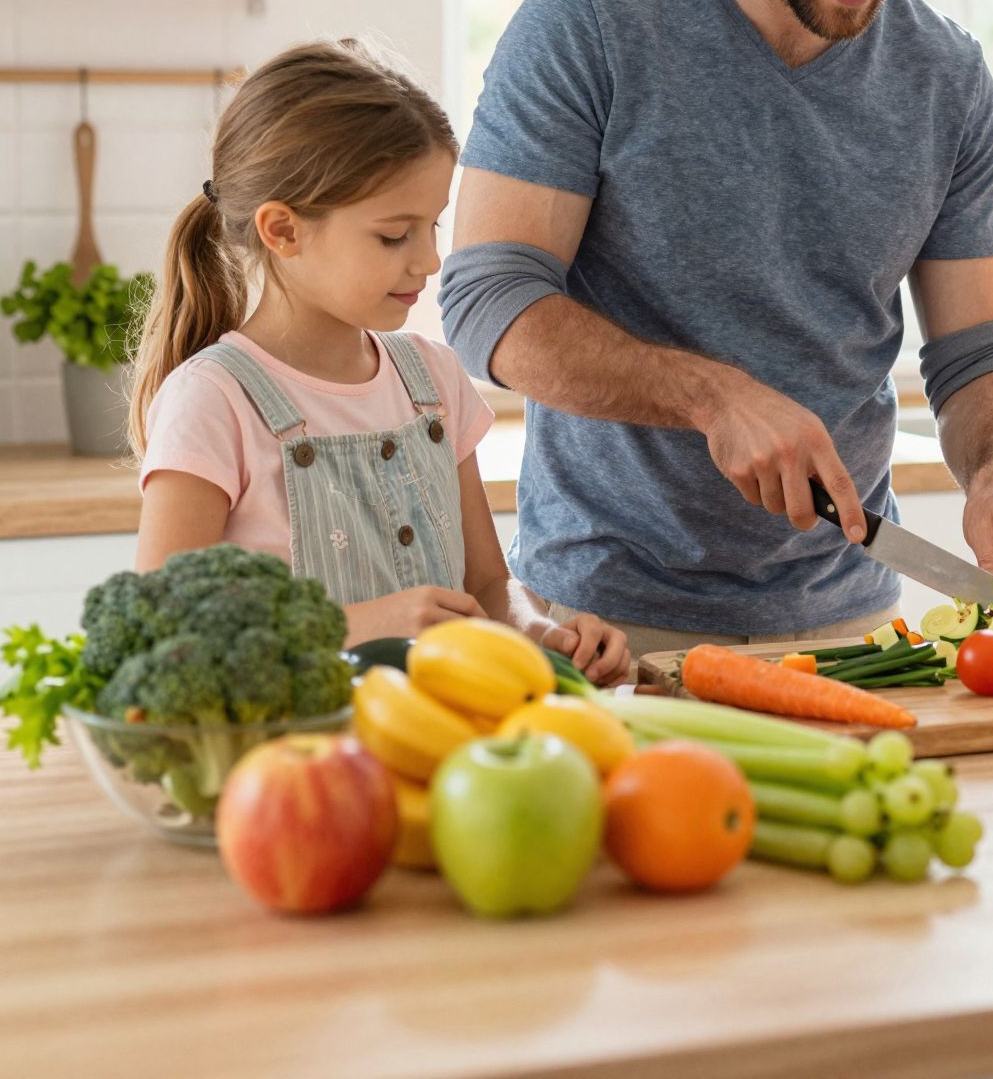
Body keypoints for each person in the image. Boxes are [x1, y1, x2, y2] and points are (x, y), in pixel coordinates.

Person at [440, 0, 993, 662]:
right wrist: (713, 397)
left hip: (854, 621)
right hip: (605, 623)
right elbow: (488, 302)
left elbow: (979, 345)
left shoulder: (946, 78)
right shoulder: (593, 24)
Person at [130, 39, 631, 684]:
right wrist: (355, 626)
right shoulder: (214, 399)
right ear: (282, 230)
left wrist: (541, 632)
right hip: (295, 759)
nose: (428, 260)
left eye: (433, 228)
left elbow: (485, 583)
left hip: (439, 747)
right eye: (394, 235)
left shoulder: (434, 380)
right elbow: (163, 626)